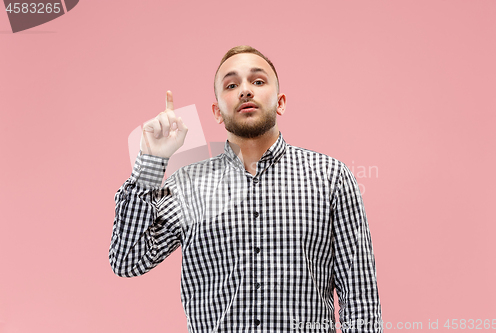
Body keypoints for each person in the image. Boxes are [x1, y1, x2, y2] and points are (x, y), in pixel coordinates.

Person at [109, 45, 382, 332]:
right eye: (231, 84)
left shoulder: (331, 177)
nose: (245, 90)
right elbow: (128, 260)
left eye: (258, 81)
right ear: (216, 112)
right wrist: (152, 160)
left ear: (280, 103)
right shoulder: (187, 185)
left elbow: (359, 294)